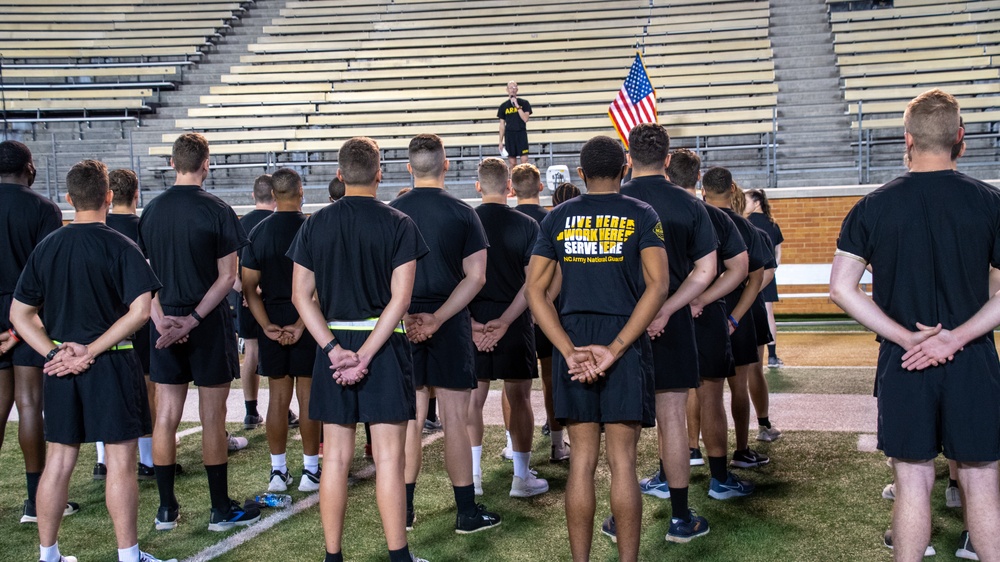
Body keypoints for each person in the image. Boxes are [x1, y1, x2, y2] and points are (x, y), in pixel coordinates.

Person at [832, 90, 1000, 561]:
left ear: (906, 140)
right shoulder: (991, 202)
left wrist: (908, 337)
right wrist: (957, 336)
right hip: (974, 361)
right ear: (960, 139)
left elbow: (841, 290)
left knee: (911, 482)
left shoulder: (872, 206)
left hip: (904, 360)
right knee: (982, 482)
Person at [10, 159, 171, 562]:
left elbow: (19, 314)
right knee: (120, 461)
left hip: (61, 367)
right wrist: (92, 351)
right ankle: (128, 556)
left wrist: (54, 352)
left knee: (60, 461)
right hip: (112, 364)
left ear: (68, 199)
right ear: (109, 196)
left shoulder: (48, 246)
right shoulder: (121, 244)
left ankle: (48, 555)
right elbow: (139, 311)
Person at [526, 135, 669, 562]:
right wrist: (618, 347)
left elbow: (535, 292)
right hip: (623, 340)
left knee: (582, 461)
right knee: (623, 462)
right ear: (624, 169)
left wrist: (568, 352)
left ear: (581, 173)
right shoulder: (642, 213)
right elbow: (659, 285)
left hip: (575, 339)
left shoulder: (558, 217)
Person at [288, 136, 429, 562]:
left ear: (338, 173)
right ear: (380, 173)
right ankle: (398, 557)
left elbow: (300, 296)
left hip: (335, 346)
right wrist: (366, 354)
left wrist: (333, 349)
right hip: (382, 347)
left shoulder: (315, 223)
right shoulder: (399, 223)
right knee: (388, 459)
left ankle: (334, 557)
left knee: (334, 460)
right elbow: (400, 301)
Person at [138, 132, 261, 532]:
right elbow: (228, 278)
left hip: (165, 321)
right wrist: (191, 320)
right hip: (204, 322)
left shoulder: (152, 210)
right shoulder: (218, 209)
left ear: (173, 163)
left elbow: (142, 278)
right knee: (212, 416)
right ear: (206, 164)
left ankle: (166, 510)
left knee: (166, 416)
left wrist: (160, 320)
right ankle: (218, 509)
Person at [389, 133, 502, 534]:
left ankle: (402, 511)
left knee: (410, 421)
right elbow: (477, 277)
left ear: (408, 168)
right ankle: (466, 513)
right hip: (449, 321)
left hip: (401, 322)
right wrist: (438, 317)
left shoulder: (393, 211)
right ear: (446, 165)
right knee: (455, 417)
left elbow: (384, 278)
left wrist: (409, 317)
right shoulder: (463, 212)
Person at [609, 123, 717, 543]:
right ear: (669, 159)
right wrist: (668, 309)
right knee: (672, 418)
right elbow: (705, 270)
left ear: (628, 156)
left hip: (619, 326)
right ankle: (679, 517)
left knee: (622, 426)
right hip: (670, 324)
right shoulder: (689, 204)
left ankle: (622, 518)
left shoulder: (612, 200)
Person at [667, 149, 755, 500]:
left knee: (670, 403)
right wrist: (703, 298)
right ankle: (719, 478)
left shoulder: (652, 211)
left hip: (665, 316)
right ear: (698, 177)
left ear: (667, 173)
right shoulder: (715, 216)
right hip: (706, 316)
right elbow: (742, 267)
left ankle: (667, 477)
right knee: (712, 397)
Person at [0, 140, 79, 526]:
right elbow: (48, 274)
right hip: (27, 314)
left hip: (11, 313)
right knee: (30, 403)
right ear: (29, 169)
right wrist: (19, 329)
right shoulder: (44, 208)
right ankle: (36, 502)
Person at [94, 169, 182, 483]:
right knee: (147, 387)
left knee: (101, 387)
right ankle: (146, 459)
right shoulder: (143, 226)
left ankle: (102, 459)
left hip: (101, 319)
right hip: (139, 316)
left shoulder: (97, 228)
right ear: (136, 194)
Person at [467, 157, 547, 498]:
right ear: (510, 187)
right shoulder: (527, 223)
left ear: (478, 186)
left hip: (472, 319)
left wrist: (472, 325)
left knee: (472, 399)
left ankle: (473, 477)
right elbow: (533, 283)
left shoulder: (464, 220)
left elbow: (460, 277)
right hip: (513, 321)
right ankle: (520, 477)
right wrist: (506, 322)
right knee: (520, 398)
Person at [241, 168, 321, 493]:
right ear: (300, 191)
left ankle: (278, 472)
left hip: (272, 315)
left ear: (273, 195)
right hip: (307, 317)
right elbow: (321, 286)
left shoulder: (258, 232)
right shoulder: (313, 227)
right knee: (307, 397)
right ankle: (311, 471)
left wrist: (267, 327)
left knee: (277, 398)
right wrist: (302, 324)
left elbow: (248, 288)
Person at [700, 167, 770, 470]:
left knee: (700, 390)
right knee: (737, 388)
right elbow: (756, 279)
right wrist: (736, 318)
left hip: (701, 312)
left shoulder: (698, 221)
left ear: (704, 191)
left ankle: (692, 449)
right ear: (732, 190)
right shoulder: (746, 227)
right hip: (737, 312)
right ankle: (741, 450)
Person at [512, 163, 570, 462]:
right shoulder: (553, 219)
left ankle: (513, 445)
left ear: (512, 189)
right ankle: (558, 444)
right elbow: (561, 270)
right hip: (547, 310)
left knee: (513, 383)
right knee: (550, 378)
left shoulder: (504, 221)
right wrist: (543, 302)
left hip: (511, 313)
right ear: (540, 187)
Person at [236, 175, 276, 431]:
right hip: (275, 298)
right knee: (275, 352)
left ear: (253, 195)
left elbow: (230, 272)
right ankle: (280, 407)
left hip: (245, 297)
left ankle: (251, 410)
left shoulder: (240, 224)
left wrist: (246, 292)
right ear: (276, 195)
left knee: (251, 350)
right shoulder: (277, 223)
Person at [744, 188, 784, 368]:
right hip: (768, 274)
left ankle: (749, 353)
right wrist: (771, 270)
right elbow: (778, 253)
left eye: (746, 200)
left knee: (745, 311)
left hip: (748, 275)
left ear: (756, 202)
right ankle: (773, 357)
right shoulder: (773, 224)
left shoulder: (745, 222)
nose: (744, 204)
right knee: (768, 314)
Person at [497, 81, 532, 168]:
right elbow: (502, 125)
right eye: (510, 87)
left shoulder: (524, 103)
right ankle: (513, 181)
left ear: (517, 89)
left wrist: (517, 105)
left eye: (514, 87)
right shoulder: (503, 106)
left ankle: (524, 181)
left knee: (524, 161)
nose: (512, 90)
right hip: (510, 135)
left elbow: (525, 118)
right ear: (507, 90)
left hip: (521, 134)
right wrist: (500, 141)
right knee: (512, 163)